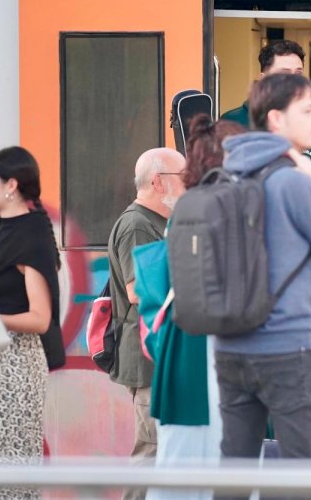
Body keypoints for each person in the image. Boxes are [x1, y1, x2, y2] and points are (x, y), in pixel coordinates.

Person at [214, 73, 311, 465]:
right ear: (276, 120)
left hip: (232, 345)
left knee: (236, 468)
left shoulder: (226, 175)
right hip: (286, 346)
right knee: (299, 470)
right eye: (308, 110)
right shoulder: (293, 182)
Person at [141, 115, 246, 500]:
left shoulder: (190, 208)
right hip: (207, 347)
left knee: (184, 458)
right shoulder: (219, 209)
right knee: (210, 458)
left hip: (185, 344)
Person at [0, 146, 64, 499]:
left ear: (12, 185)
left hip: (15, 365)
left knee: (11, 475)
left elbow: (40, 318)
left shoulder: (31, 235)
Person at [107, 146, 187, 499]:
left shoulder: (160, 223)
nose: (189, 185)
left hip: (162, 354)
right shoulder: (137, 224)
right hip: (148, 359)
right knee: (152, 451)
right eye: (183, 178)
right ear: (158, 181)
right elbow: (139, 290)